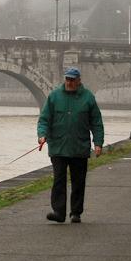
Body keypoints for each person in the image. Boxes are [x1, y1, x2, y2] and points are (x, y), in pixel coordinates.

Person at [36, 67, 104, 223]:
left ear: (79, 81)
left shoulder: (88, 98)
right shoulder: (54, 97)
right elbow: (44, 119)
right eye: (67, 79)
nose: (69, 82)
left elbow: (96, 123)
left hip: (79, 146)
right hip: (58, 146)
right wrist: (42, 135)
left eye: (73, 80)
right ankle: (59, 212)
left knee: (78, 181)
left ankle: (76, 213)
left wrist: (98, 143)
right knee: (59, 180)